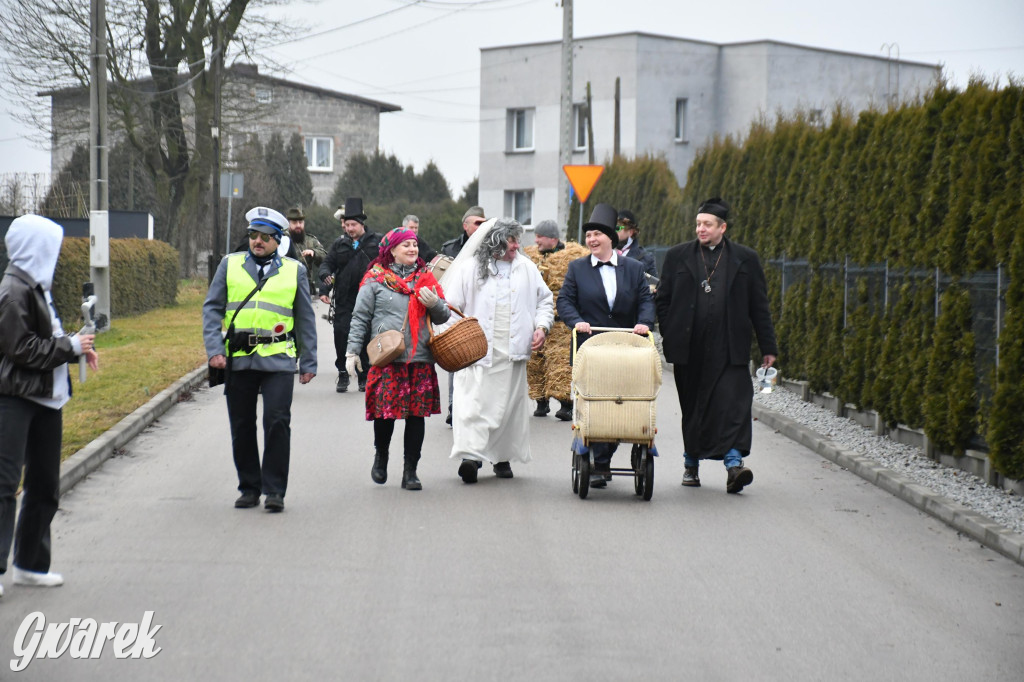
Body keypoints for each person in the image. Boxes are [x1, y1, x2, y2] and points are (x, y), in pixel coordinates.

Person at [0, 215, 99, 594]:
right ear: (34, 248)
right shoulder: (13, 290)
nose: (55, 256)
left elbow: (46, 336)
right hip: (15, 398)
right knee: (5, 484)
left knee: (44, 484)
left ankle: (31, 565)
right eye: (50, 248)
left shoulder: (36, 286)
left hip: (46, 398)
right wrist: (69, 347)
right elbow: (20, 348)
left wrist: (77, 348)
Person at [655, 197, 777, 493]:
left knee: (734, 405)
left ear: (722, 227)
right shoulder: (677, 256)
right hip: (690, 348)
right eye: (698, 224)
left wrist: (768, 347)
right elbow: (663, 300)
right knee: (694, 408)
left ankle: (734, 464)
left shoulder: (745, 259)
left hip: (729, 347)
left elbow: (759, 305)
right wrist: (670, 332)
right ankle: (691, 463)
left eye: (707, 224)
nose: (701, 229)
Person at [203, 207, 318, 512]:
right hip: (238, 359)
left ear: (278, 240)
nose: (257, 241)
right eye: (253, 235)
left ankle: (275, 490)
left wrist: (309, 361)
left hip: (279, 358)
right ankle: (249, 487)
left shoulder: (295, 270)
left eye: (265, 237)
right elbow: (211, 309)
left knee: (277, 422)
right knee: (241, 425)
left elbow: (305, 318)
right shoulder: (229, 265)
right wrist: (214, 348)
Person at [443, 217, 553, 482]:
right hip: (477, 352)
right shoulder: (470, 269)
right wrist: (458, 339)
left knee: (507, 409)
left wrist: (542, 327)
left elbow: (544, 301)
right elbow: (451, 308)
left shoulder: (526, 268)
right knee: (472, 405)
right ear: (495, 242)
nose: (517, 245)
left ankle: (502, 458)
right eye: (511, 240)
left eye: (517, 239)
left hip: (512, 352)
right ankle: (471, 457)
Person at [556, 203, 656, 488]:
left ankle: (606, 455)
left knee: (623, 403)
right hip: (591, 349)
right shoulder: (577, 268)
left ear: (611, 237)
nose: (592, 239)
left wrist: (644, 323)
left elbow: (646, 301)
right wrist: (577, 321)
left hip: (626, 349)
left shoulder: (634, 269)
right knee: (597, 405)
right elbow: (565, 301)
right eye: (589, 235)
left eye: (598, 234)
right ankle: (600, 461)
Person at [346, 228, 451, 490]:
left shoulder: (426, 278)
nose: (412, 249)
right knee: (385, 416)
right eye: (406, 245)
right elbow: (360, 318)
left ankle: (410, 471)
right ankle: (381, 456)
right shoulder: (375, 279)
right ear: (392, 250)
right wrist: (351, 352)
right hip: (387, 359)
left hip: (419, 359)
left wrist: (435, 303)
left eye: (414, 244)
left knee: (417, 417)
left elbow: (444, 316)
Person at [524, 219, 588, 421]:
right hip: (535, 320)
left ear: (552, 239)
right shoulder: (530, 256)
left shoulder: (572, 257)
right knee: (535, 363)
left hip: (560, 322)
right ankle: (540, 400)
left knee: (560, 363)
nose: (536, 241)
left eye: (540, 237)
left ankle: (565, 404)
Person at [318, 198, 382, 393]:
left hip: (368, 298)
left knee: (365, 337)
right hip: (344, 299)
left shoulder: (376, 242)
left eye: (353, 225)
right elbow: (327, 265)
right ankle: (343, 373)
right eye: (347, 225)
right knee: (341, 336)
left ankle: (364, 375)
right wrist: (325, 284)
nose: (349, 228)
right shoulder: (339, 244)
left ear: (362, 224)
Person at [440, 206, 487, 424]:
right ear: (465, 225)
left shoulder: (490, 246)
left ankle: (479, 408)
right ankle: (453, 406)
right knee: (457, 362)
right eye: (477, 223)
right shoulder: (450, 248)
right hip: (457, 312)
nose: (481, 227)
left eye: (483, 222)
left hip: (481, 312)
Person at [285, 206, 327, 297]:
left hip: (305, 289)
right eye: (294, 222)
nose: (298, 225)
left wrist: (314, 253)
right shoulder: (282, 239)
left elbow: (325, 258)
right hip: (285, 287)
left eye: (300, 222)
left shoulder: (310, 240)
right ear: (288, 224)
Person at [616, 209, 658, 279]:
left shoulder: (646, 258)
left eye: (617, 228)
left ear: (630, 232)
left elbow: (653, 286)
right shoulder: (604, 253)